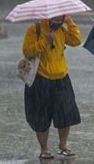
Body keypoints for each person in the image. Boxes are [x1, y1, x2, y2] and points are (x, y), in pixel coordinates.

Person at [22, 14, 82, 160]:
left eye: (62, 17)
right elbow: (27, 51)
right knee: (41, 116)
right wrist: (44, 41)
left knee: (66, 114)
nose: (59, 20)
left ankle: (63, 145)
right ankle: (44, 149)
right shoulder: (34, 29)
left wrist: (70, 22)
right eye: (57, 17)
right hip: (41, 79)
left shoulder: (62, 30)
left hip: (62, 78)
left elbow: (76, 40)